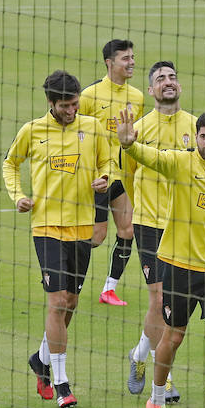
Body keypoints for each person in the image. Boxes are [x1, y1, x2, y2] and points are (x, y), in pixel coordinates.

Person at [117, 108, 205, 408]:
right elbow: (152, 157)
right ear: (196, 137)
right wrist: (129, 145)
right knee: (173, 337)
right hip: (178, 266)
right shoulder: (180, 162)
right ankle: (156, 402)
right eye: (203, 136)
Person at [3, 71, 114, 408]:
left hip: (82, 228)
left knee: (71, 303)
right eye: (65, 105)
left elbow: (107, 161)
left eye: (75, 103)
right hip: (47, 228)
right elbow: (10, 164)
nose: (71, 110)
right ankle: (62, 382)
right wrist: (18, 195)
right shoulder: (32, 131)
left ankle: (40, 358)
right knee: (58, 301)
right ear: (50, 103)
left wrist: (105, 178)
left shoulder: (92, 127)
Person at [123, 61, 195, 404]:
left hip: (185, 226)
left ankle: (139, 353)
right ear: (150, 91)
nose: (168, 82)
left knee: (174, 303)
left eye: (172, 77)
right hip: (150, 225)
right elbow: (126, 174)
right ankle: (160, 375)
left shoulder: (196, 128)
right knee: (161, 298)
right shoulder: (138, 129)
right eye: (160, 79)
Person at [80, 39, 145, 307]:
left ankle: (109, 289)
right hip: (95, 179)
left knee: (128, 230)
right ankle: (67, 271)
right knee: (96, 236)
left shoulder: (138, 97)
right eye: (125, 58)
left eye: (132, 57)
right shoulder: (90, 96)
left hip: (123, 176)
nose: (131, 62)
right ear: (109, 63)